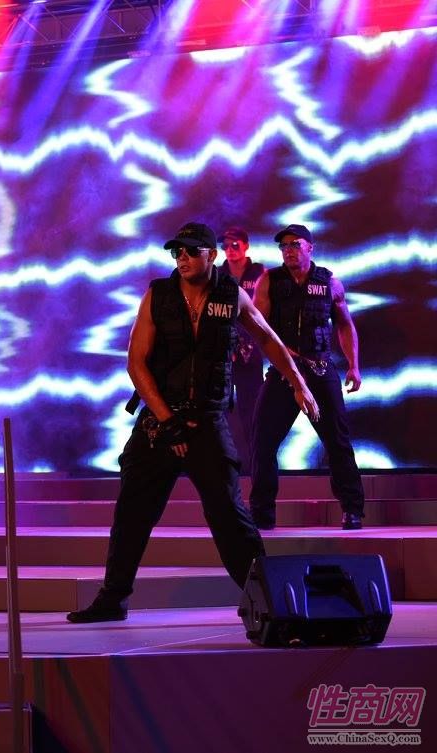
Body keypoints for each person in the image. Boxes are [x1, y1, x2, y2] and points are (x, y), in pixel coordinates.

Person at [67, 223, 318, 623]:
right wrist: (167, 421)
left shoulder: (230, 294)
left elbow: (268, 338)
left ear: (211, 255)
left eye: (190, 251)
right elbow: (136, 363)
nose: (181, 258)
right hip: (159, 423)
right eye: (176, 252)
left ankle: (270, 601)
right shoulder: (159, 295)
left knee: (230, 516)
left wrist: (299, 383)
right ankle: (113, 598)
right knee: (133, 513)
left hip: (206, 421)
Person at [250, 224, 366, 530]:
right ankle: (262, 514)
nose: (288, 250)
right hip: (284, 372)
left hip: (320, 369)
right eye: (284, 246)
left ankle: (352, 509)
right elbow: (259, 327)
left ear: (310, 248)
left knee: (338, 442)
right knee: (263, 442)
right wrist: (284, 356)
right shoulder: (269, 281)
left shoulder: (329, 282)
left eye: (295, 244)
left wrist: (353, 365)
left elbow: (344, 324)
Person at [218, 227, 267, 471]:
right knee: (219, 411)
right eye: (225, 246)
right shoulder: (218, 274)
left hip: (251, 351)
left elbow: (264, 313)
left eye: (234, 245)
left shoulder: (259, 273)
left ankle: (258, 465)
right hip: (223, 352)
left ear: (246, 245)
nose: (229, 250)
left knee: (253, 411)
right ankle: (222, 466)